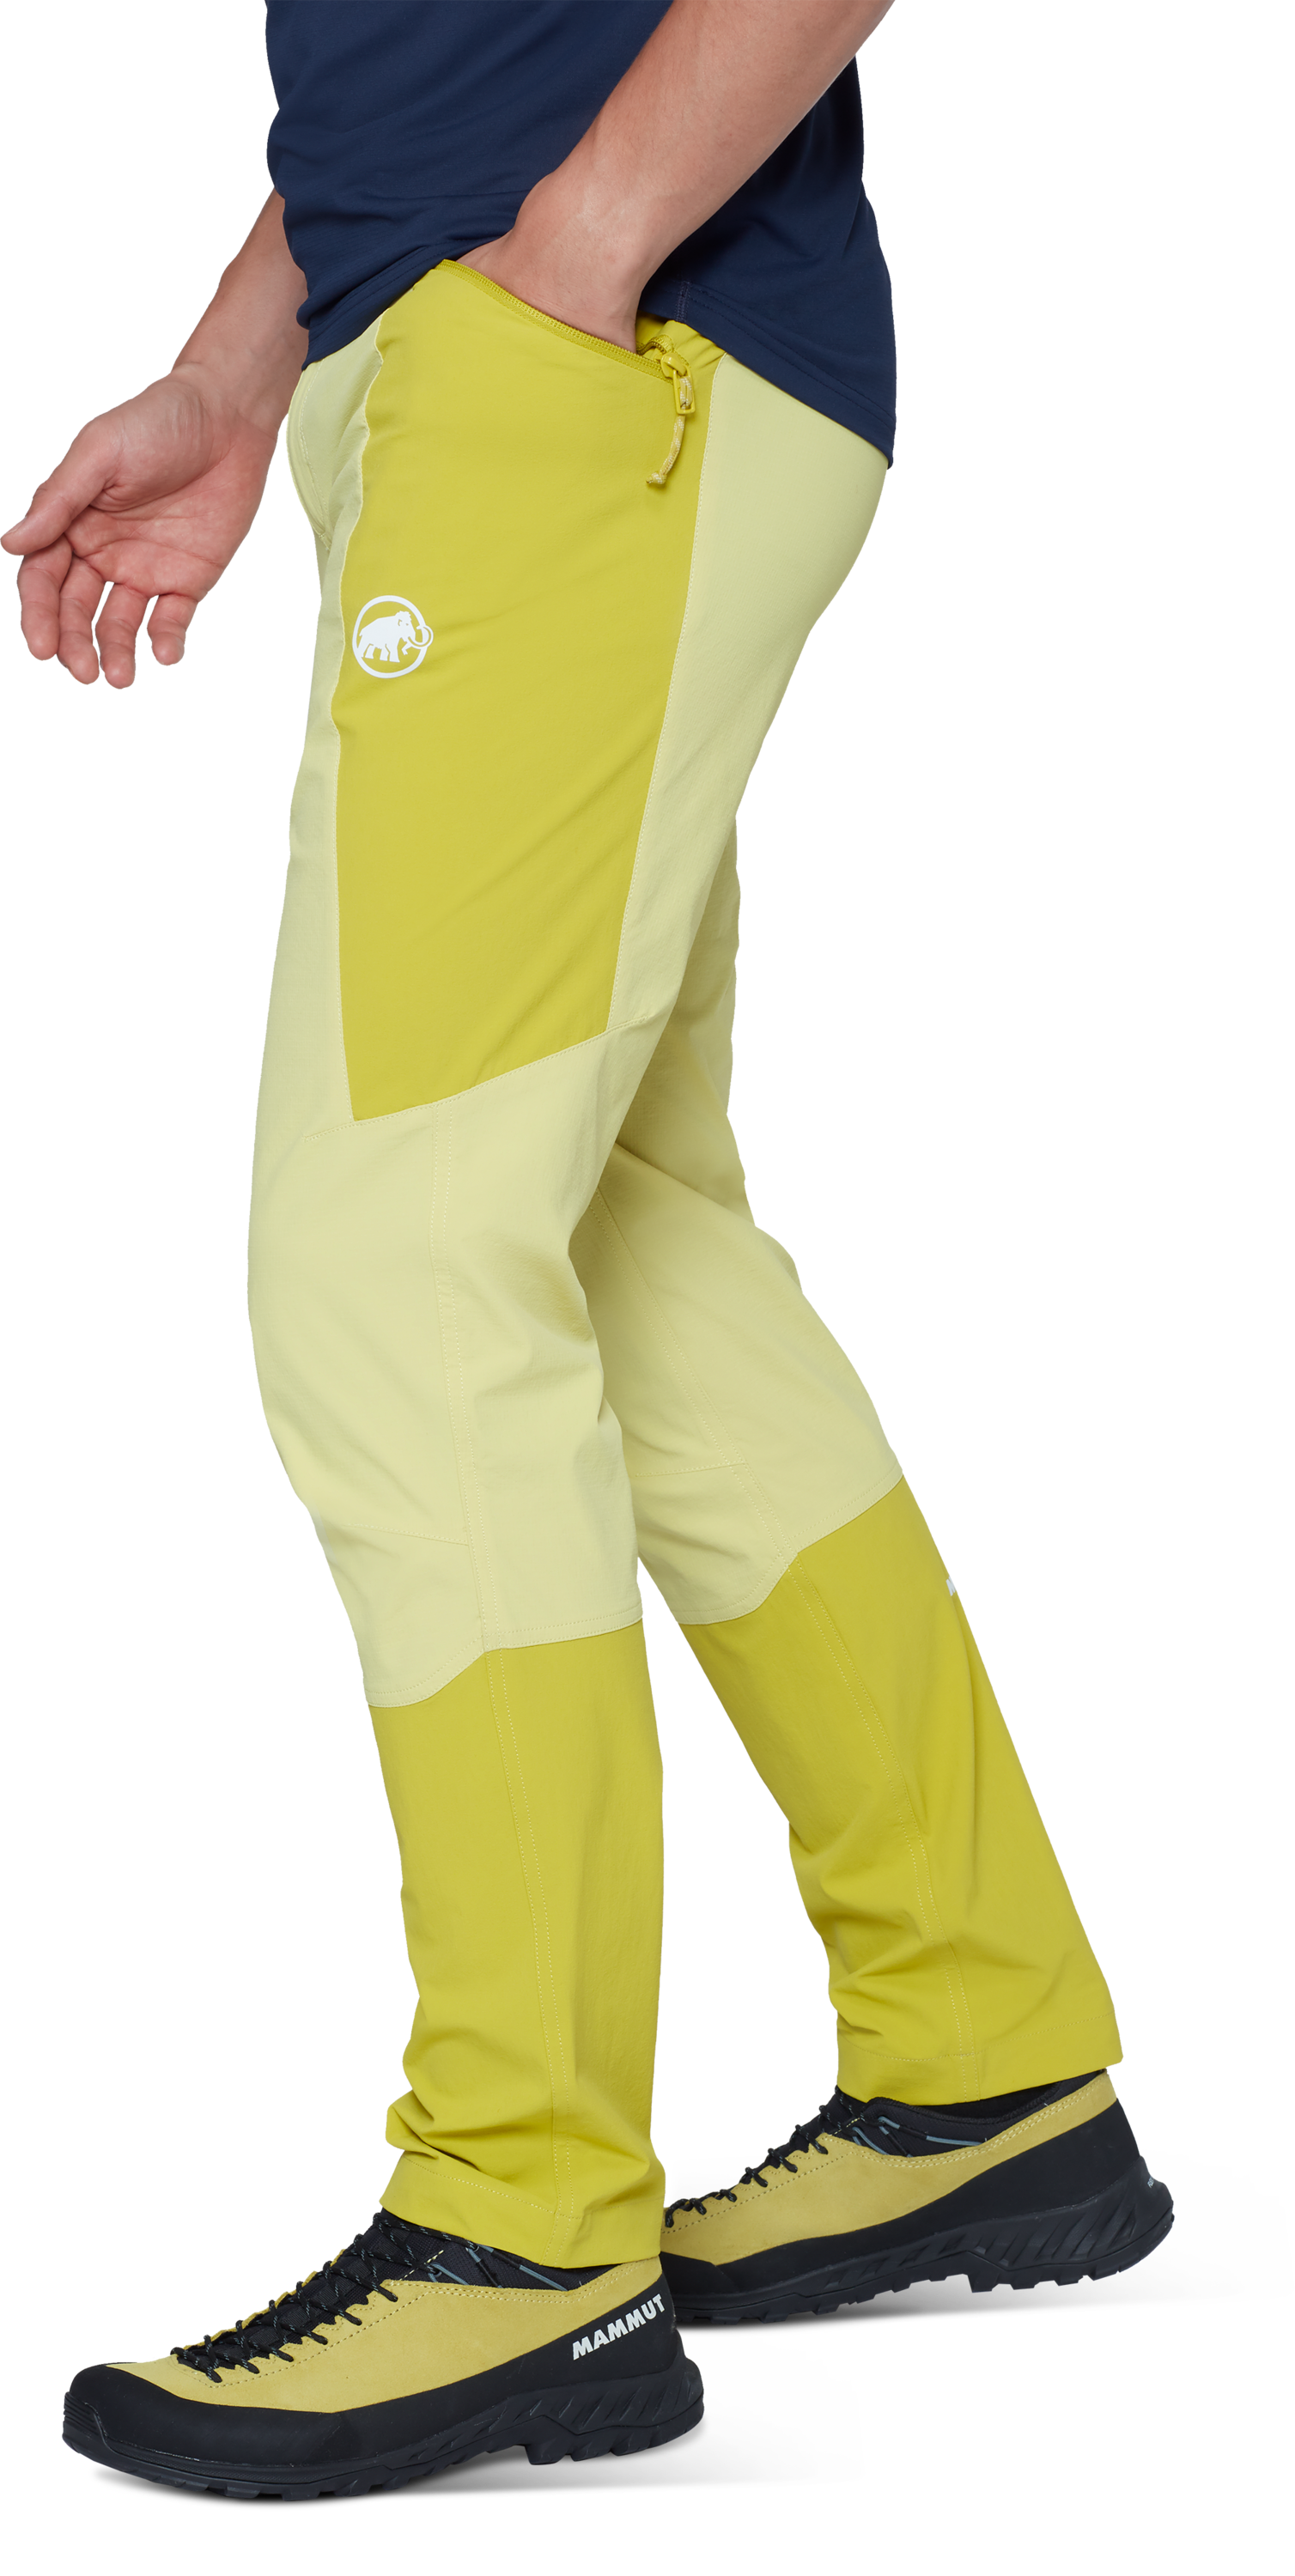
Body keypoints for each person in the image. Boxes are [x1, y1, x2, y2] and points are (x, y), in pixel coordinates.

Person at [8, 0, 1172, 2502]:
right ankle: (981, 2051)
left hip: (591, 364)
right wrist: (243, 368)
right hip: (517, 369)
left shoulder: (576, 293)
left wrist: (577, 253)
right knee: (634, 1259)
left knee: (398, 1279)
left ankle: (524, 2225)